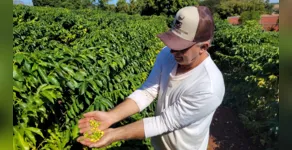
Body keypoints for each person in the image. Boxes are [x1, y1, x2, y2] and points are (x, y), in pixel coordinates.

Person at [77, 5, 225, 150]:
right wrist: (111, 117)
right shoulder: (167, 54)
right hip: (159, 143)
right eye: (172, 43)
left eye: (181, 48)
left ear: (203, 47)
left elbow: (164, 123)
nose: (173, 52)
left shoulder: (209, 87)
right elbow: (148, 91)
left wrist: (114, 134)